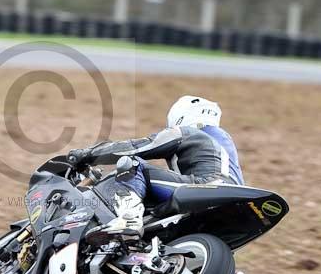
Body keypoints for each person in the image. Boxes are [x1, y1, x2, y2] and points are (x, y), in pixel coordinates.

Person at [67, 96, 244, 241]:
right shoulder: (225, 144)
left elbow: (138, 147)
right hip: (234, 204)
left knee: (134, 163)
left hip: (206, 187)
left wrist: (87, 154)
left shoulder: (189, 132)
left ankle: (129, 220)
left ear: (180, 117)